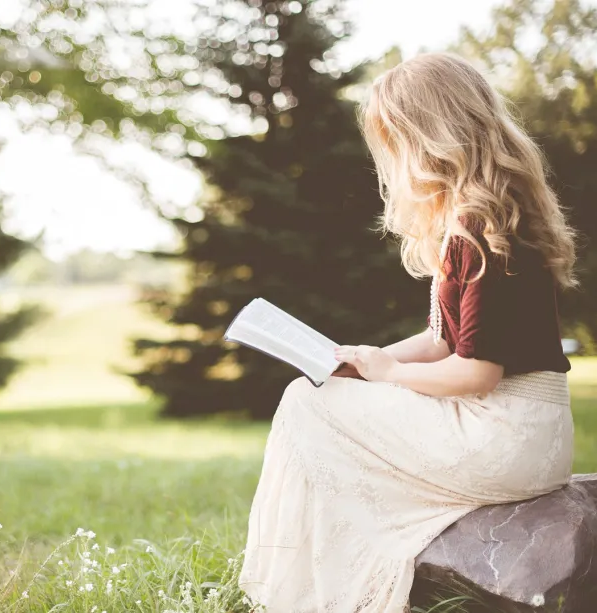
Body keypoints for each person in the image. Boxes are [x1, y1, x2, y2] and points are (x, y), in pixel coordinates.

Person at [237, 52, 578, 612]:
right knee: (322, 393)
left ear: (431, 136)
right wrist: (365, 360)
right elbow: (444, 340)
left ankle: (298, 591)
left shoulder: (477, 225)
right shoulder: (488, 214)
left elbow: (477, 371)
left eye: (396, 141)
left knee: (305, 404)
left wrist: (390, 374)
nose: (393, 160)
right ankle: (309, 582)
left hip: (504, 434)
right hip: (528, 430)